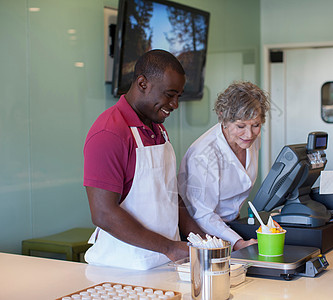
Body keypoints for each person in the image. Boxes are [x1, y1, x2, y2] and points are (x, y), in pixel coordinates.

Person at [83, 50, 204, 270]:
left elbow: (169, 196)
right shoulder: (109, 132)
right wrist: (170, 247)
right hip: (123, 269)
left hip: (165, 262)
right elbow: (103, 213)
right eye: (169, 94)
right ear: (142, 83)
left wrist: (205, 241)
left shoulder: (158, 128)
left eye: (179, 96)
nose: (175, 104)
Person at [178, 81, 270, 251]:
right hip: (204, 233)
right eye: (240, 126)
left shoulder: (249, 142)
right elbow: (203, 214)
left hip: (231, 226)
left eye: (256, 125)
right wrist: (237, 243)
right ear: (224, 118)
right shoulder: (204, 154)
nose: (249, 134)